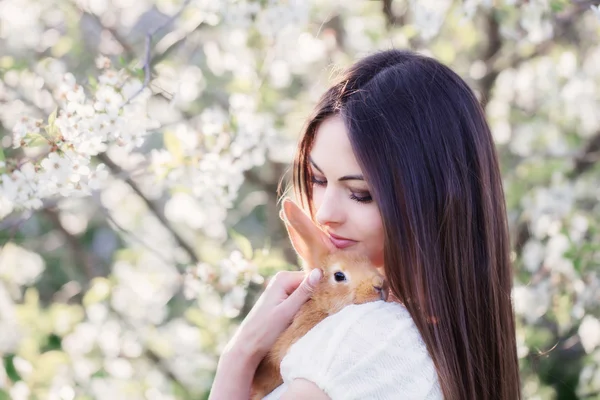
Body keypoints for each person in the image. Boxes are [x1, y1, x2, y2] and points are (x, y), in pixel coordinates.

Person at [209, 49, 522, 399]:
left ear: (432, 200)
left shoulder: (358, 342)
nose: (325, 212)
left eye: (360, 193)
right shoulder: (454, 346)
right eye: (316, 179)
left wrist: (237, 360)